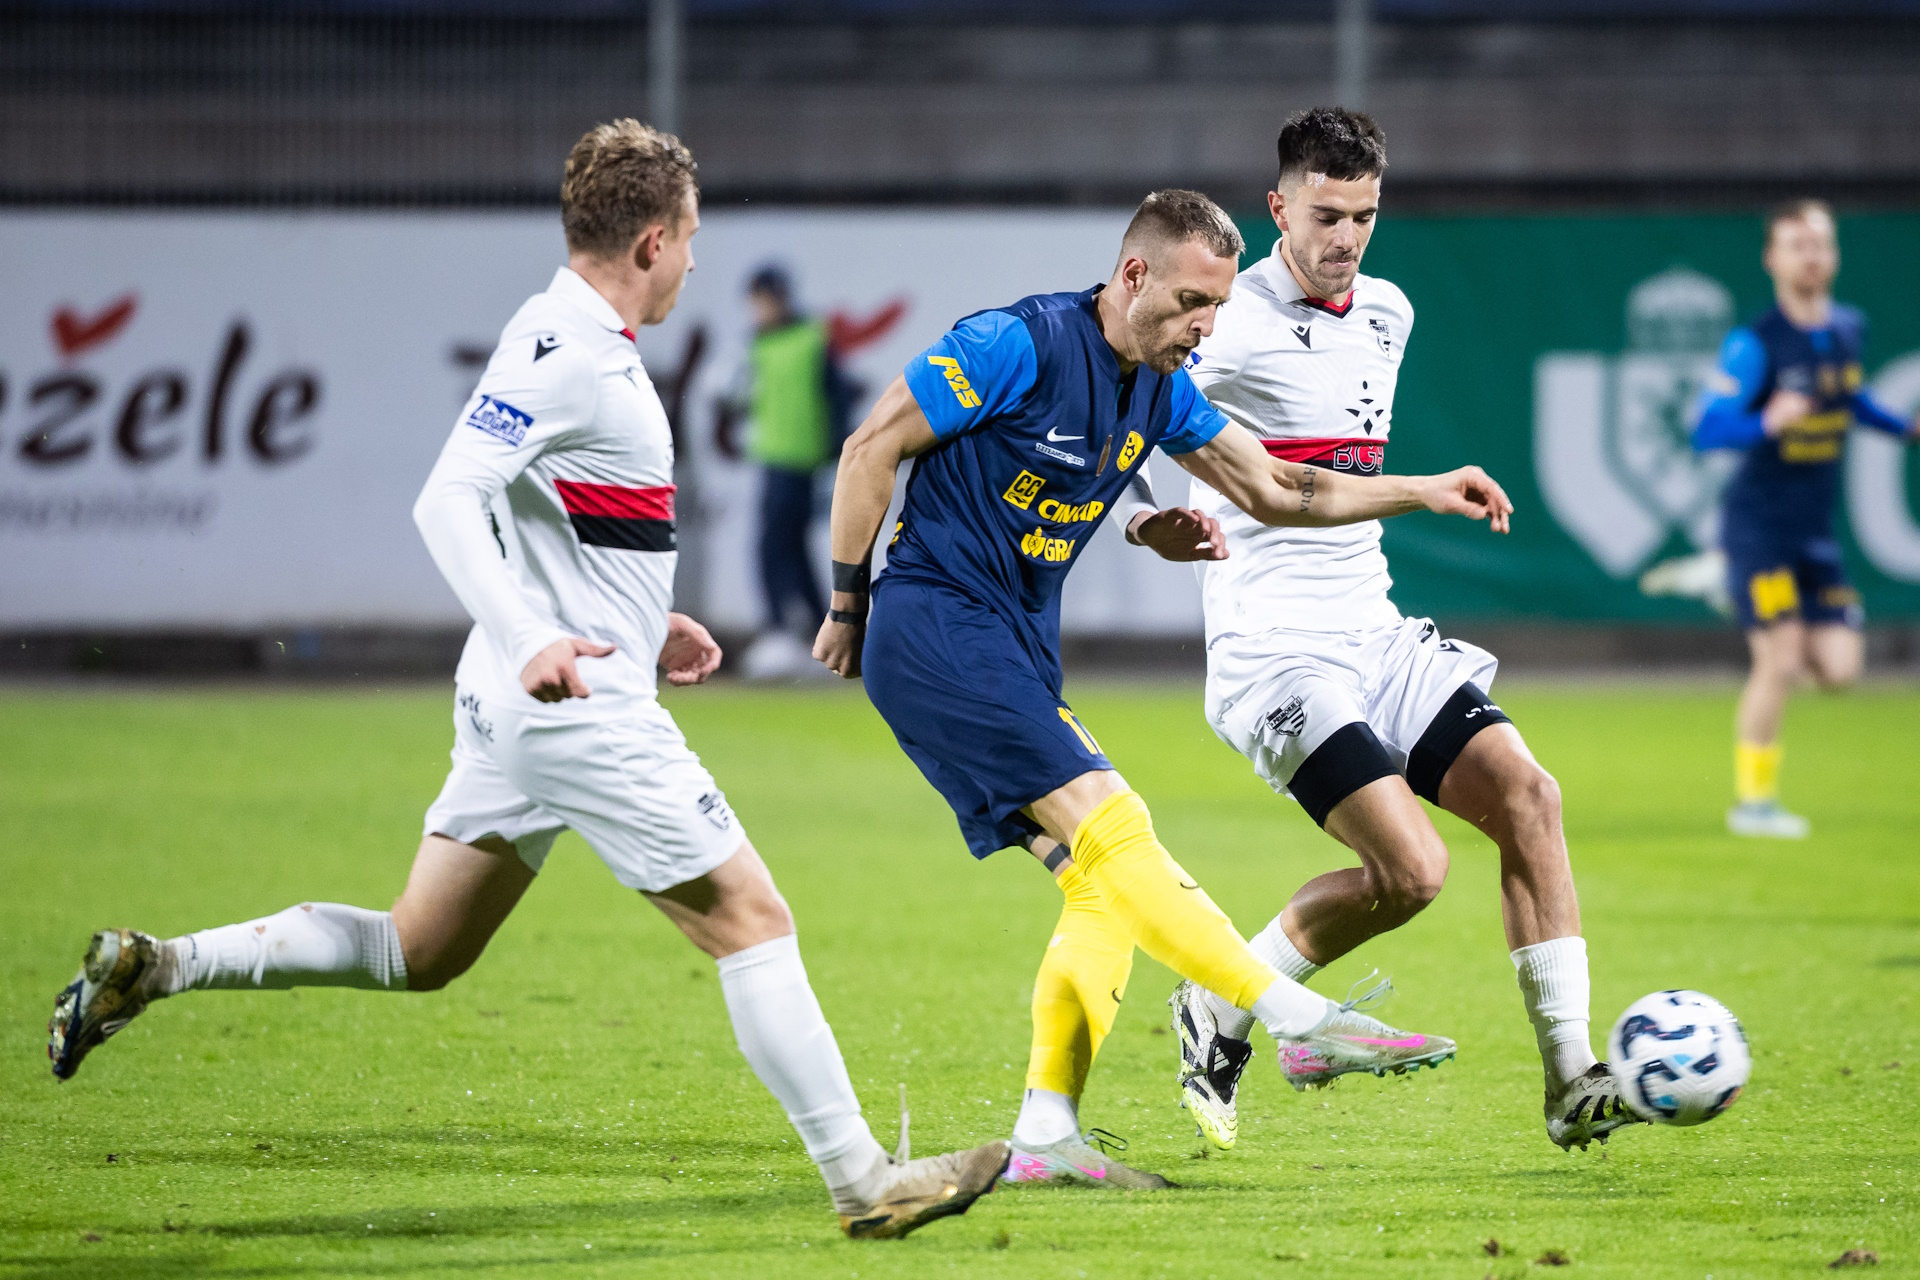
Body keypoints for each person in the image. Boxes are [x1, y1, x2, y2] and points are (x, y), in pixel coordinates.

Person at [45, 119, 1007, 1241]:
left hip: (532, 699)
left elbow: (553, 517)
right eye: (691, 237)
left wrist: (638, 621)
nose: (696, 261)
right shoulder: (573, 355)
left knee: (419, 947)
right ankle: (864, 1181)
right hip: (572, 705)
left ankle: (162, 966)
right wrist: (527, 636)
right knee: (752, 918)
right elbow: (447, 498)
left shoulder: (560, 333)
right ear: (652, 242)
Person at [812, 187, 1514, 1186]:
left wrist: (1423, 489)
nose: (1206, 326)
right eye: (1191, 301)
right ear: (1133, 275)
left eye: (1218, 306)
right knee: (1119, 824)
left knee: (1099, 886)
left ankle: (1046, 1131)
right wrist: (848, 604)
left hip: (1015, 646)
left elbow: (1277, 487)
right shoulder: (1015, 344)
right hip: (938, 626)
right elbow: (870, 445)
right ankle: (1292, 1013)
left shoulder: (1163, 391)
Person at [1113, 109, 1635, 1155]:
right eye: (1326, 215)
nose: (1346, 237)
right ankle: (1219, 997)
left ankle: (1571, 1075)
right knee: (1413, 872)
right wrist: (1141, 520)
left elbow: (1334, 477)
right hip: (1274, 652)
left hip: (1374, 630)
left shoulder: (1389, 310)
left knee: (1530, 797)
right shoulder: (1227, 316)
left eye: (1364, 215)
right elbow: (1120, 414)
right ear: (1279, 209)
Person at [1691, 199, 1919, 839]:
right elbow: (1706, 429)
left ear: (1834, 254)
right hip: (1759, 530)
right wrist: (1766, 421)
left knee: (1841, 671)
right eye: (1797, 245)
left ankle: (1721, 580)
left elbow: (1851, 397)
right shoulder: (1754, 344)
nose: (1811, 256)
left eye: (1820, 244)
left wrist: (1904, 428)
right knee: (1781, 659)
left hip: (1815, 537)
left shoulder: (1847, 328)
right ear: (1772, 258)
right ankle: (1753, 805)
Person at [716, 265, 856, 678]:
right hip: (772, 458)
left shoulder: (812, 338)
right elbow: (743, 396)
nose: (759, 310)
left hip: (802, 460)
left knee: (773, 547)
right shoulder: (756, 343)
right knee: (790, 548)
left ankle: (781, 630)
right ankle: (818, 630)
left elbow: (837, 398)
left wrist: (834, 450)